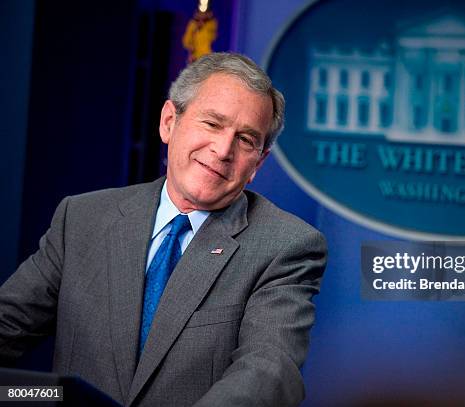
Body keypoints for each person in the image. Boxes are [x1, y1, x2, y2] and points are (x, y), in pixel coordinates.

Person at [0, 52, 327, 407]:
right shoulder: (81, 218)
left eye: (246, 139)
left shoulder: (286, 246)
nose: (222, 150)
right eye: (212, 124)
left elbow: (269, 373)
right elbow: (7, 325)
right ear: (169, 121)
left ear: (257, 163)